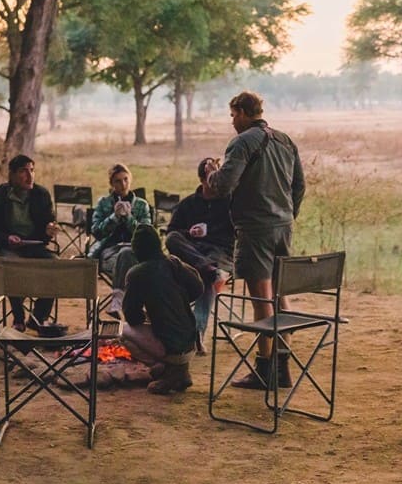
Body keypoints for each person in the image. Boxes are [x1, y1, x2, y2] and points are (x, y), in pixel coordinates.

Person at [207, 90, 305, 389]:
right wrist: (287, 215)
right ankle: (283, 366)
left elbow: (224, 186)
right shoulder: (285, 140)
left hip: (255, 229)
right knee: (279, 293)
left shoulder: (242, 142)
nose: (232, 121)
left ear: (243, 112)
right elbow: (299, 186)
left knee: (261, 297)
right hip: (282, 225)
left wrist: (212, 172)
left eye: (234, 115)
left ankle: (265, 370)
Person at [0, 154, 60, 332]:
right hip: (6, 247)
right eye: (24, 171)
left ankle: (38, 318)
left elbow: (47, 227)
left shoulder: (41, 195)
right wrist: (6, 238)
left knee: (57, 268)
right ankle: (18, 317)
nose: (30, 176)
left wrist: (48, 231)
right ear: (12, 174)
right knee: (11, 265)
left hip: (33, 246)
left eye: (32, 171)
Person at [120, 224, 203, 395]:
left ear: (136, 249)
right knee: (165, 327)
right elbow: (198, 287)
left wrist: (147, 313)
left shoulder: (137, 273)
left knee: (123, 331)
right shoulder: (173, 263)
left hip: (171, 348)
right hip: (191, 342)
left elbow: (132, 316)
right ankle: (181, 370)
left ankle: (170, 371)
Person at [165, 157, 235, 347]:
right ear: (201, 180)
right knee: (172, 239)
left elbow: (242, 229)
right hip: (193, 252)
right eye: (210, 179)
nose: (215, 184)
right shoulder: (187, 204)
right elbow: (171, 231)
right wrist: (190, 232)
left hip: (220, 253)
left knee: (207, 277)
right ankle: (209, 269)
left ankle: (196, 332)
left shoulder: (230, 202)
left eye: (217, 177)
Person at [87, 163, 153, 317]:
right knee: (127, 259)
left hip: (136, 252)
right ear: (111, 183)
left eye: (125, 180)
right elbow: (96, 231)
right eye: (118, 181)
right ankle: (138, 309)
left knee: (128, 254)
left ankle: (118, 301)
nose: (123, 184)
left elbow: (146, 233)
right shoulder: (104, 203)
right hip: (110, 251)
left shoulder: (142, 205)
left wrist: (129, 218)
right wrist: (114, 217)